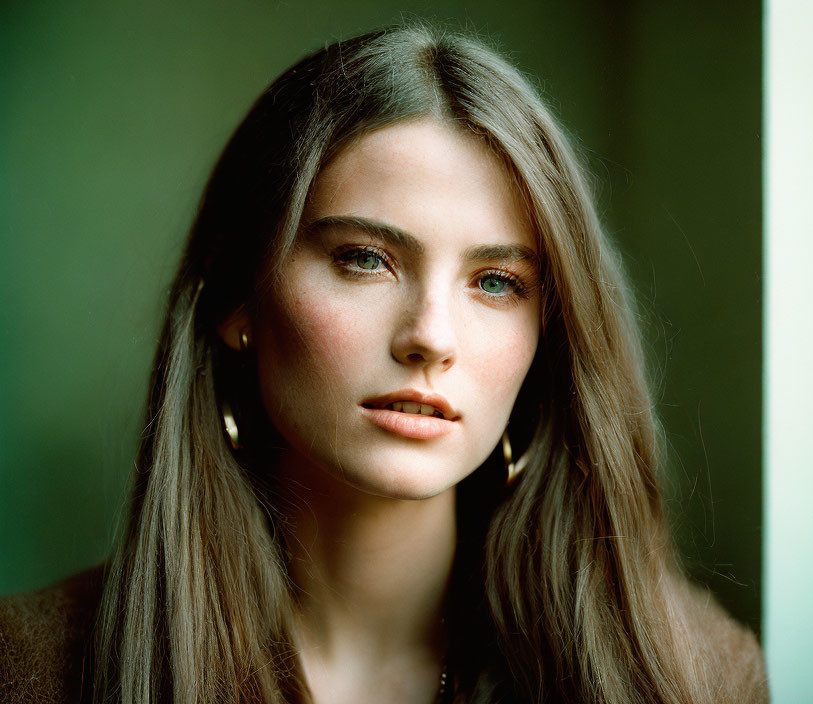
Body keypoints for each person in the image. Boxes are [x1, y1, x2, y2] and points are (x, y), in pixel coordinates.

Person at [0, 22, 768, 704]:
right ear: (238, 299)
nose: (431, 337)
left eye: (496, 282)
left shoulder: (694, 678)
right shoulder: (29, 668)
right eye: (365, 259)